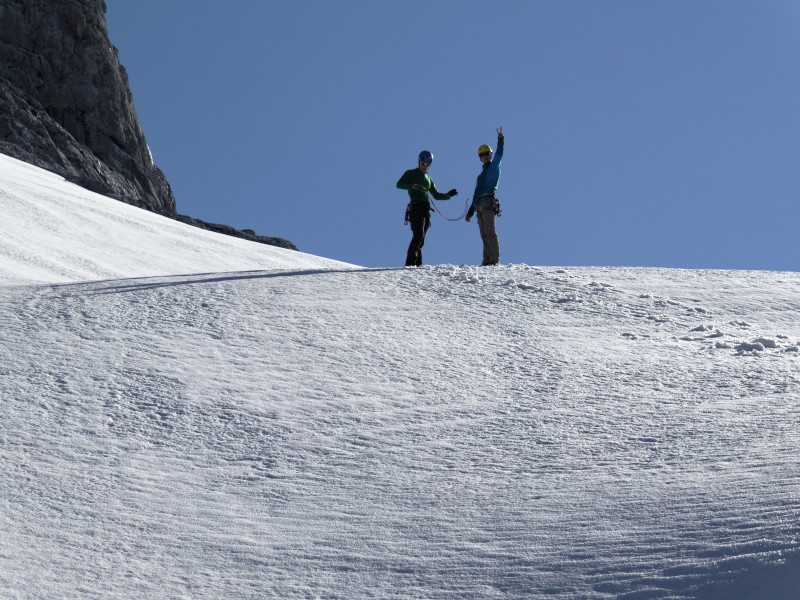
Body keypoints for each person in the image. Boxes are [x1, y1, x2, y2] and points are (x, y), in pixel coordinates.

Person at [396, 150, 458, 267]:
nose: (425, 166)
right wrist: (413, 186)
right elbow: (399, 184)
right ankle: (410, 264)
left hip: (426, 210)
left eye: (427, 165)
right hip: (415, 208)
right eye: (423, 164)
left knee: (421, 240)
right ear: (419, 163)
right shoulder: (411, 173)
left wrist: (448, 195)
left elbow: (436, 195)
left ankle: (418, 265)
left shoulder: (429, 180)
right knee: (418, 236)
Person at [466, 127, 504, 266]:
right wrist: (470, 212)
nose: (485, 156)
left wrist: (500, 140)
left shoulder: (494, 167)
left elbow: (499, 155)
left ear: (490, 154)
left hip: (488, 203)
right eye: (482, 155)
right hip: (479, 206)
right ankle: (487, 261)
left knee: (490, 231)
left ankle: (493, 260)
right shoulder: (480, 176)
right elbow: (475, 194)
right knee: (484, 234)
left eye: (487, 154)